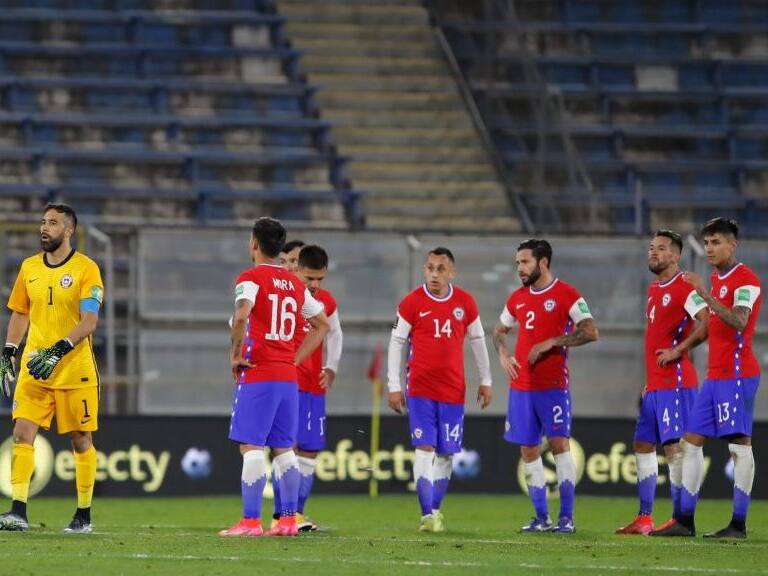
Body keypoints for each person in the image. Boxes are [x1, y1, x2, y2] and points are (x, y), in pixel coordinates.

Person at [220, 218, 329, 537]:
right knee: (283, 448)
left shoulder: (250, 278)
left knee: (251, 446)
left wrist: (236, 354)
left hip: (259, 373)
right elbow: (322, 325)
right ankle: (286, 521)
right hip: (287, 377)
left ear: (253, 243)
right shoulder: (295, 284)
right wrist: (295, 358)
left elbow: (241, 316)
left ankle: (251, 521)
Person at [653, 218, 761, 539]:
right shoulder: (716, 278)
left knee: (739, 446)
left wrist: (703, 292)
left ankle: (738, 525)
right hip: (715, 377)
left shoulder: (746, 280)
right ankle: (685, 520)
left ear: (733, 245)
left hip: (737, 375)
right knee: (689, 443)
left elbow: (739, 321)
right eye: (707, 242)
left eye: (716, 242)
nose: (710, 248)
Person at [0, 204, 103, 533]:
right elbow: (20, 313)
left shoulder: (88, 270)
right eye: (43, 222)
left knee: (80, 439)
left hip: (74, 369)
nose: (45, 228)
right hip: (35, 368)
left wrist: (58, 350)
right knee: (21, 433)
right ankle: (17, 510)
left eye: (53, 223)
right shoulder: (29, 267)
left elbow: (89, 321)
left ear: (69, 231)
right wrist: (9, 351)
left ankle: (83, 514)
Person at [493, 239, 598, 534]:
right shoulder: (518, 298)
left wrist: (553, 341)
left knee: (559, 445)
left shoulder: (567, 294)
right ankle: (541, 518)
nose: (520, 269)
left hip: (553, 386)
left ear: (543, 263)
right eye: (517, 263)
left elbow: (591, 331)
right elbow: (499, 330)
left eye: (525, 262)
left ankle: (566, 518)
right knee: (528, 450)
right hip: (521, 387)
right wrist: (503, 354)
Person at [387, 247, 492, 532]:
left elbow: (478, 342)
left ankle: (434, 509)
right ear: (425, 270)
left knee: (446, 454)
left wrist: (487, 380)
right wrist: (394, 385)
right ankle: (426, 515)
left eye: (440, 269)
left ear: (451, 272)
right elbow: (396, 343)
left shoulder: (465, 303)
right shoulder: (411, 302)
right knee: (424, 448)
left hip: (453, 391)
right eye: (430, 268)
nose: (434, 274)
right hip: (419, 389)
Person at [616, 230, 708, 535]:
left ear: (676, 255)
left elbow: (707, 322)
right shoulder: (655, 289)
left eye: (661, 249)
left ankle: (681, 519)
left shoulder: (685, 287)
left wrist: (678, 350)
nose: (653, 252)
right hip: (656, 385)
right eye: (651, 248)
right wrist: (649, 381)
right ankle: (644, 518)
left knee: (674, 449)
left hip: (677, 384)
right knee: (643, 444)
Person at [272, 244, 342, 532]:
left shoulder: (325, 301)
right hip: (288, 383)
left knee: (310, 449)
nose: (314, 285)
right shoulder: (281, 296)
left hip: (314, 384)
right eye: (309, 277)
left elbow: (335, 332)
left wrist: (332, 366)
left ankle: (297, 513)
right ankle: (282, 514)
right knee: (287, 447)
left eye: (319, 280)